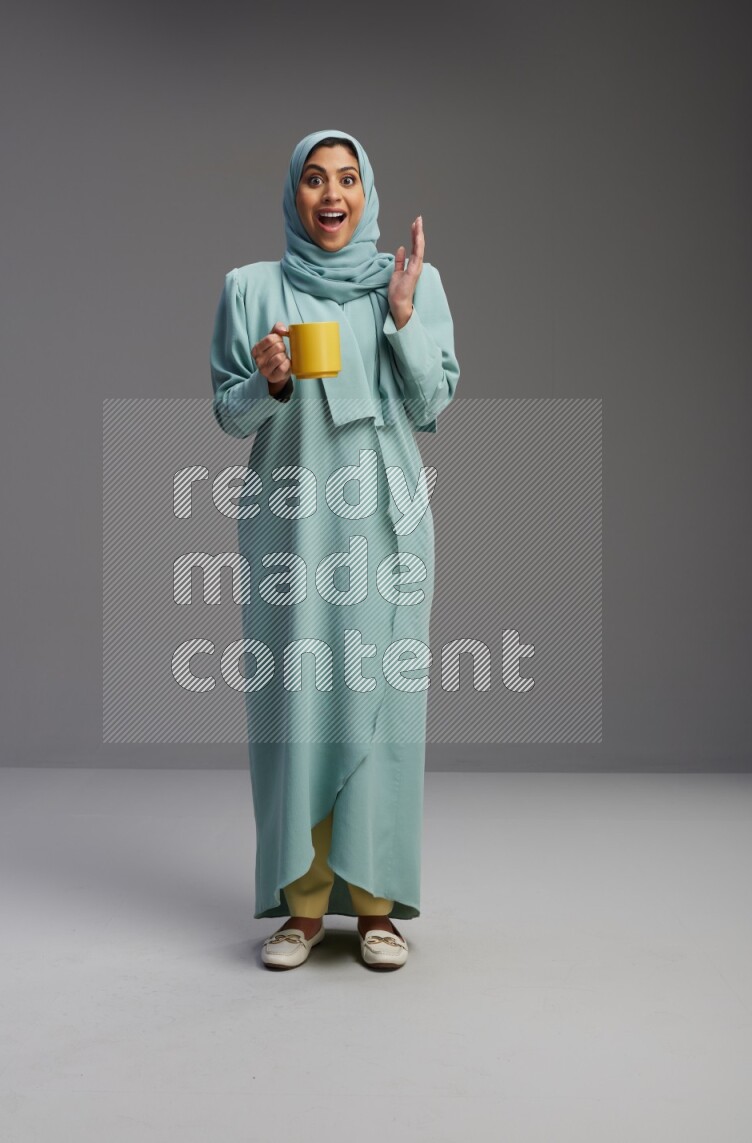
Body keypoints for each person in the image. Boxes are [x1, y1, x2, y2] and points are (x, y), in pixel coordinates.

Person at [210, 128, 459, 970]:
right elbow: (229, 412)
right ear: (294, 192)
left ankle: (378, 906)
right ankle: (304, 906)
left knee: (382, 711)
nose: (330, 194)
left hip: (384, 527)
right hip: (292, 525)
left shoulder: (410, 284)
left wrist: (399, 317)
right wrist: (270, 379)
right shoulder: (251, 289)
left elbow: (430, 403)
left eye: (347, 179)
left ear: (367, 192)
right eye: (314, 178)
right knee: (298, 710)